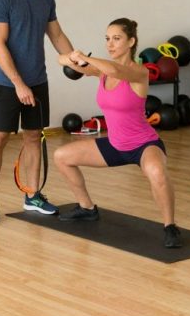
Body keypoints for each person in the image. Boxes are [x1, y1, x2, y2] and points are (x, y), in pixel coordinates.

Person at [55, 18, 182, 248]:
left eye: (116, 39)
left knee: (156, 172)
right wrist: (72, 57)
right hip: (114, 145)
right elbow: (61, 59)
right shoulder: (102, 72)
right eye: (107, 39)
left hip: (143, 145)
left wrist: (85, 58)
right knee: (62, 156)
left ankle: (170, 226)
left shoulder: (139, 73)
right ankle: (87, 208)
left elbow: (115, 69)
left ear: (131, 41)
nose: (110, 44)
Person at [0, 0, 75, 224]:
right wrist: (19, 83)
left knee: (34, 136)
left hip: (37, 79)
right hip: (7, 83)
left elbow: (56, 35)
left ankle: (33, 195)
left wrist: (75, 60)